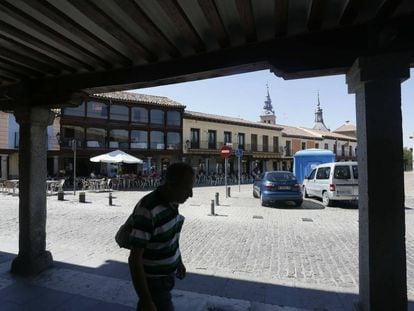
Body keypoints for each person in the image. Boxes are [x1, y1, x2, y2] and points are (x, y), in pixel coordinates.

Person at [128, 162, 195, 311]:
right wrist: (145, 299)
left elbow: (171, 235)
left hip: (166, 278)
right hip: (153, 282)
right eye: (187, 188)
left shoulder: (173, 203)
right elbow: (134, 258)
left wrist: (178, 261)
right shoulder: (148, 210)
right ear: (171, 185)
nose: (191, 194)